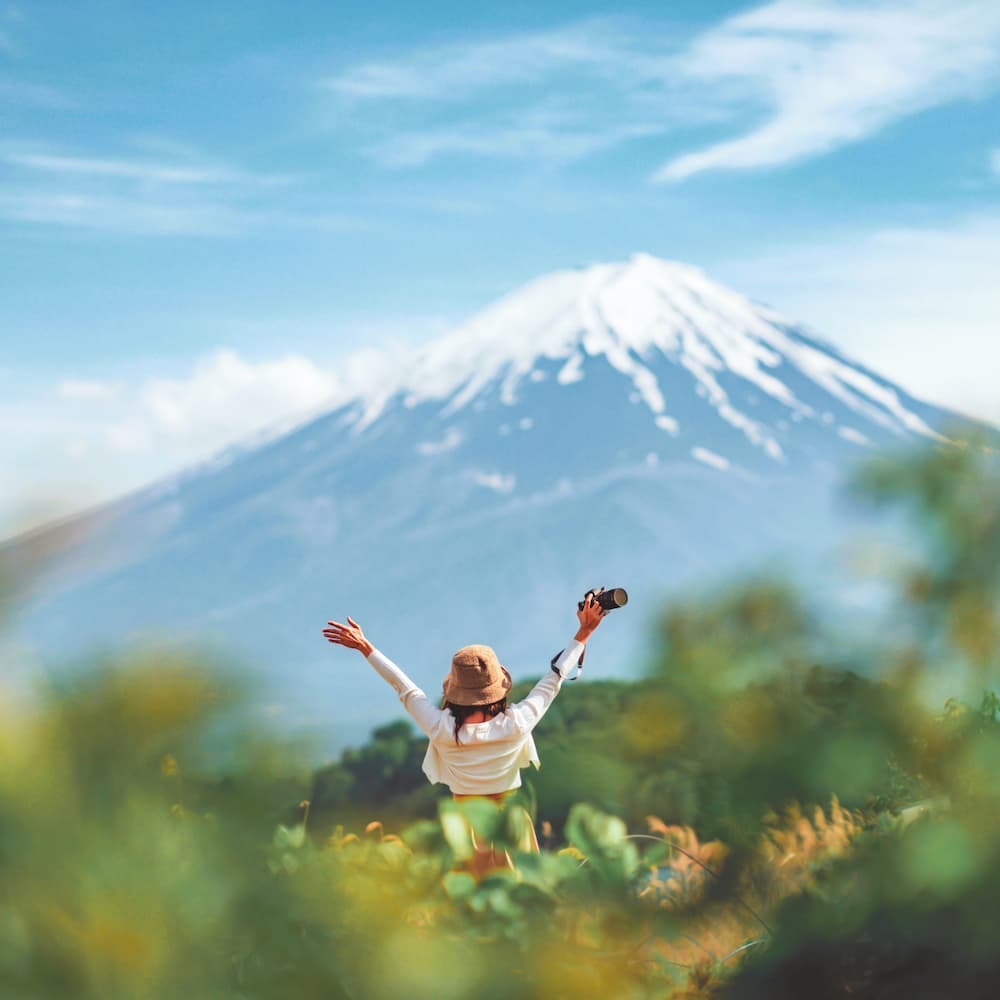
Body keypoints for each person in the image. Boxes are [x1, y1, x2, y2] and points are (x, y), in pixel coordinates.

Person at [321, 591, 608, 875]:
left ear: (455, 691)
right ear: (498, 689)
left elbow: (403, 688)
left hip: (464, 829)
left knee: (469, 908)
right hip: (512, 826)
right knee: (521, 899)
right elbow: (555, 678)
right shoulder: (517, 723)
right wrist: (584, 631)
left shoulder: (441, 729)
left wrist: (365, 647)